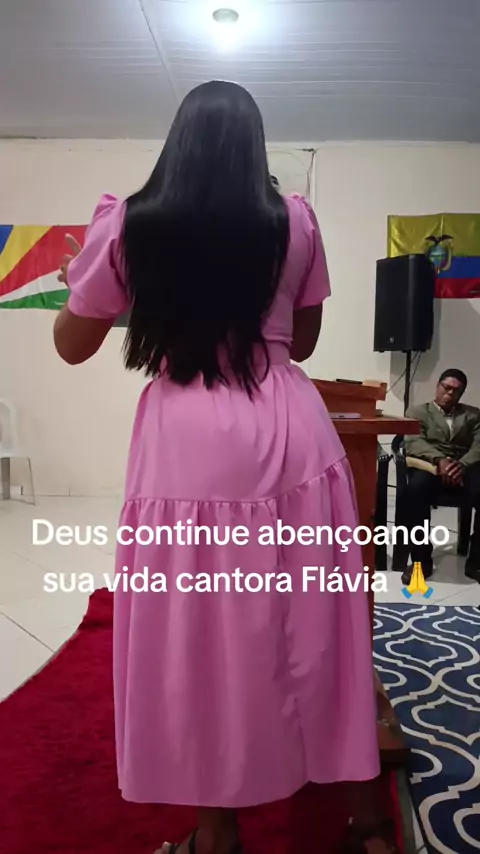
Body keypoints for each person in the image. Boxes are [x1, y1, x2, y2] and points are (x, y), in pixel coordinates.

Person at [54, 81, 392, 854]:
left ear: (177, 145)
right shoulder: (294, 221)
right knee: (319, 623)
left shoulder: (132, 225)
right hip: (291, 429)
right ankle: (368, 823)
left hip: (189, 443)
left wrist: (91, 279)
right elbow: (302, 342)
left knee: (203, 632)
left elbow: (72, 345)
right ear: (255, 146)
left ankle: (216, 833)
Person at [403, 369, 480, 584]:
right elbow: (414, 441)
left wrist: (462, 464)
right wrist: (440, 460)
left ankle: (476, 562)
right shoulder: (417, 412)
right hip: (431, 467)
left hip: (464, 468)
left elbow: (478, 445)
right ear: (437, 386)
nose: (450, 393)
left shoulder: (473, 415)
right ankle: (420, 562)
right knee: (414, 491)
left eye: (456, 390)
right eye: (446, 387)